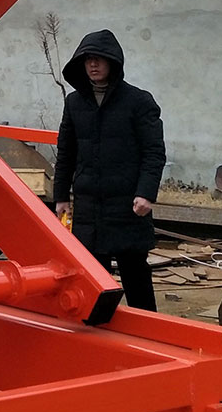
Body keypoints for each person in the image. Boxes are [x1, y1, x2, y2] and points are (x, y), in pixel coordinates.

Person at [51, 29, 165, 310]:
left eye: (99, 58)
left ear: (113, 62)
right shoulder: (74, 103)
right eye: (88, 59)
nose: (93, 64)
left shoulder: (139, 102)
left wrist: (146, 193)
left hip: (127, 204)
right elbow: (66, 152)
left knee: (135, 272)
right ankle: (99, 327)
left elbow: (154, 152)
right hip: (89, 206)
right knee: (93, 278)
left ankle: (146, 327)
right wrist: (61, 196)